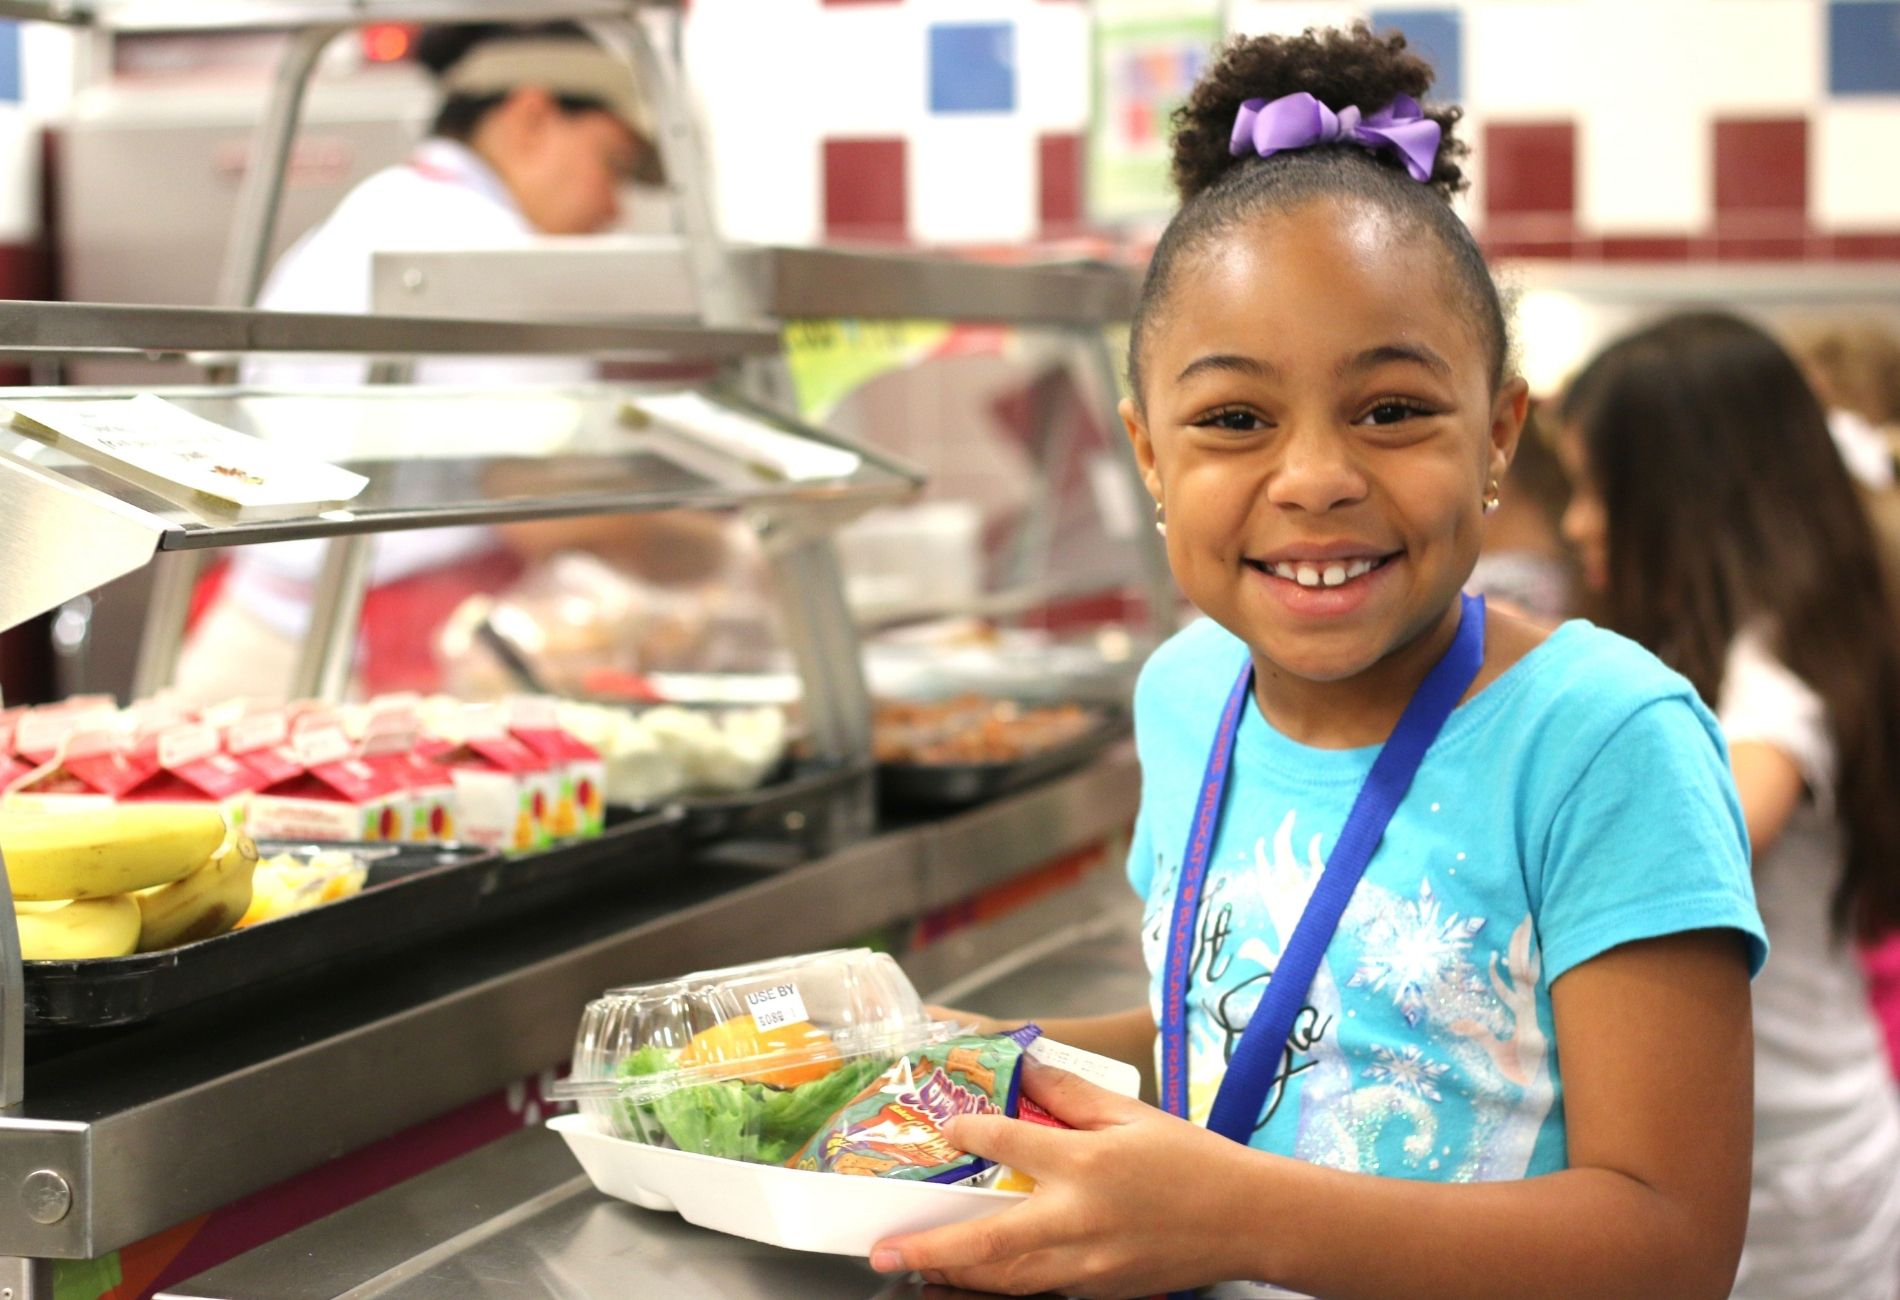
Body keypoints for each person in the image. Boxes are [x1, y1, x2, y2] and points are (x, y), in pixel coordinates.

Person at [874, 26, 1765, 1300]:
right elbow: (1261, 1032)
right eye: (1233, 420)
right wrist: (993, 1056)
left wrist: (1237, 1217)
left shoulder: (1604, 738)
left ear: (1499, 430)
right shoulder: (1184, 692)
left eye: (1392, 410)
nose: (1316, 478)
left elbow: (1670, 1247)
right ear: (1147, 454)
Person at [177, 23, 727, 700]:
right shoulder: (485, 251)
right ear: (531, 119)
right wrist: (728, 552)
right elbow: (545, 505)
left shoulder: (382, 207)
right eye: (611, 165)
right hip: (344, 670)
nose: (612, 211)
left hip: (265, 636)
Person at [1557, 312, 1900, 1300]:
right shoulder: (1740, 638)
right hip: (1790, 1141)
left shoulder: (1774, 669)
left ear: (1686, 495)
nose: (1579, 521)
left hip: (1794, 1179)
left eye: (1598, 489)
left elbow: (1727, 821)